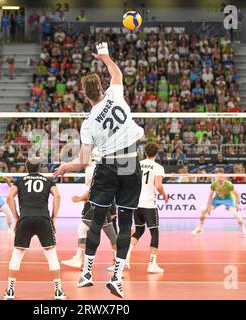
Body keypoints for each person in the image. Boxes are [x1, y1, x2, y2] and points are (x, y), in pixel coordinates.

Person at [53, 42, 144, 298]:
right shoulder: (115, 96)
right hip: (129, 163)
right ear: (102, 89)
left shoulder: (88, 122)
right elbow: (118, 74)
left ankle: (86, 274)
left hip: (106, 168)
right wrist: (105, 57)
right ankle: (116, 277)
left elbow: (83, 160)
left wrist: (64, 167)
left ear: (85, 96)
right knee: (125, 224)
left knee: (96, 222)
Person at [4, 159, 66, 300]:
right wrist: (53, 218)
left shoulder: (20, 181)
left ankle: (10, 291)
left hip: (25, 218)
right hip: (43, 219)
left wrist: (16, 217)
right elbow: (57, 195)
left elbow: (9, 197)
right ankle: (58, 291)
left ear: (26, 167)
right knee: (51, 254)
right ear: (39, 167)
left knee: (17, 254)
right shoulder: (48, 180)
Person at [61, 149, 118, 269]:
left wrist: (80, 198)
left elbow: (93, 190)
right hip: (102, 202)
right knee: (111, 234)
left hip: (98, 203)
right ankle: (119, 262)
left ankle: (78, 259)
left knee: (82, 229)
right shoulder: (95, 166)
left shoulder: (94, 169)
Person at [124, 143, 168, 274]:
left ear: (145, 153)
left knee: (139, 230)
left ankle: (125, 258)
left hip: (136, 203)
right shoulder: (158, 167)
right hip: (149, 203)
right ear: (156, 154)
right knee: (154, 232)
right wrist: (165, 196)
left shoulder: (137, 164)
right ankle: (152, 264)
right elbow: (159, 186)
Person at [191, 167, 246, 238]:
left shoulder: (228, 184)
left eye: (221, 177)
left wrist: (237, 204)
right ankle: (199, 228)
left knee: (236, 215)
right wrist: (209, 206)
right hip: (217, 199)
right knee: (203, 210)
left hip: (228, 200)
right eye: (218, 177)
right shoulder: (214, 184)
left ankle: (245, 231)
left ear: (224, 177)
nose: (220, 178)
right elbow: (210, 196)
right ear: (216, 177)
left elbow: (237, 194)